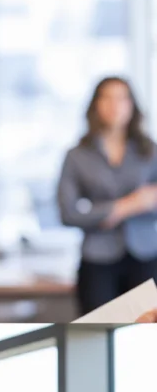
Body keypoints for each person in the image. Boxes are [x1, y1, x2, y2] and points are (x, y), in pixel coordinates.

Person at [58, 77, 157, 316]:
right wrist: (124, 206)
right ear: (95, 105)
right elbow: (68, 213)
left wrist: (104, 211)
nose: (115, 105)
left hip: (145, 255)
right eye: (107, 97)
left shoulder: (150, 151)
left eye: (122, 98)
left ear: (132, 106)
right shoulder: (77, 156)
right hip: (97, 259)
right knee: (97, 328)